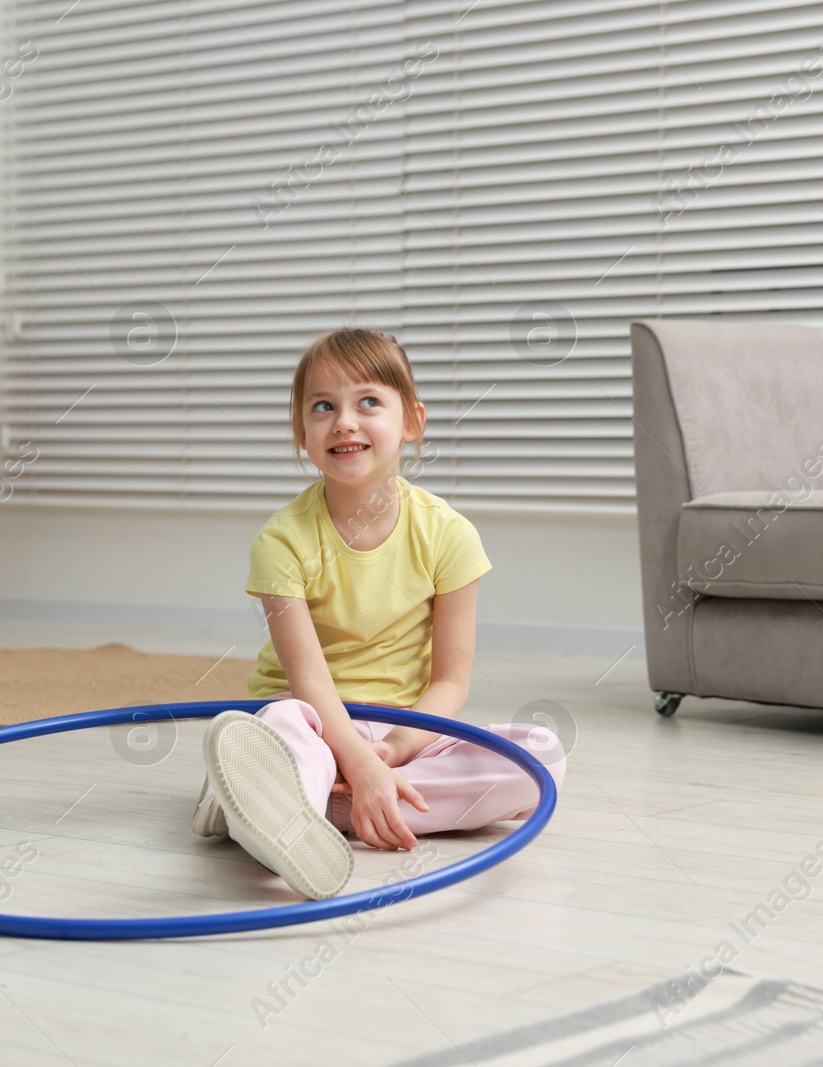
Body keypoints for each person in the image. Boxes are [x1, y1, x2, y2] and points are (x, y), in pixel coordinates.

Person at [190, 326, 567, 900]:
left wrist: (386, 755)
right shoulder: (282, 542)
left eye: (369, 401)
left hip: (403, 728)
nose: (344, 421)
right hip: (314, 718)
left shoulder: (449, 535)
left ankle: (296, 809)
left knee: (541, 758)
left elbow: (449, 681)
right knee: (280, 725)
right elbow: (309, 681)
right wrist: (353, 759)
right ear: (301, 433)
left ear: (411, 422)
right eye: (323, 407)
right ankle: (302, 793)